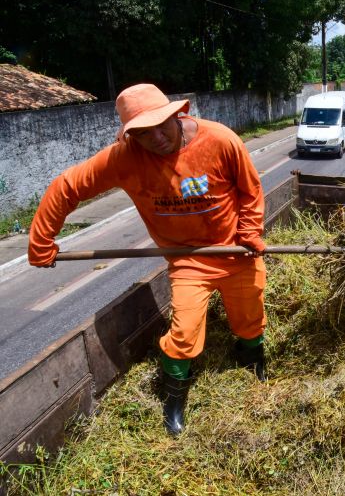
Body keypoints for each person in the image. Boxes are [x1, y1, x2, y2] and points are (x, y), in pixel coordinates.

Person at [27, 83, 268, 436]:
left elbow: (250, 190)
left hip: (234, 249)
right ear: (129, 137)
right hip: (187, 260)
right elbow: (67, 186)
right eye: (142, 133)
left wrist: (248, 232)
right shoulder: (124, 158)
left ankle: (252, 358)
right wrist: (42, 240)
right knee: (184, 333)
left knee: (250, 315)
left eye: (161, 125)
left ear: (177, 114)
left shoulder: (220, 140)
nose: (155, 137)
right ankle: (173, 400)